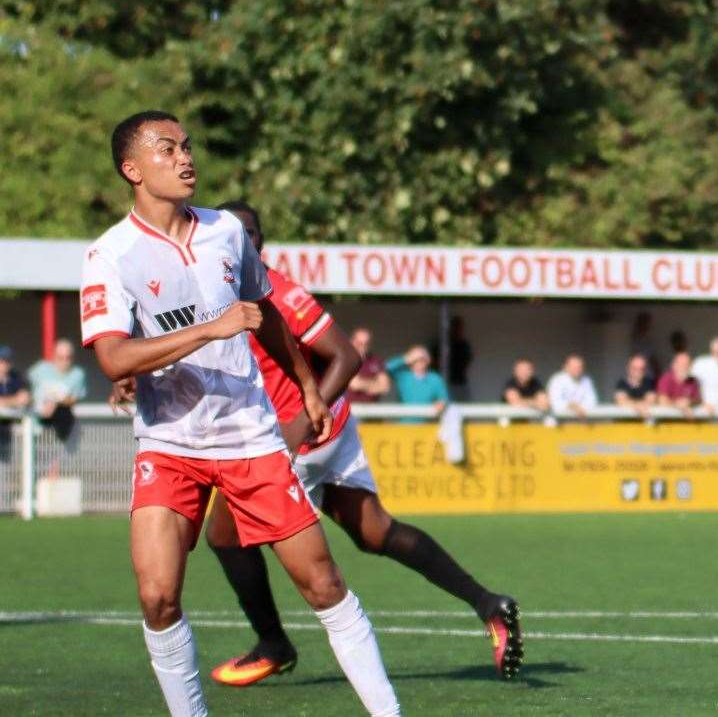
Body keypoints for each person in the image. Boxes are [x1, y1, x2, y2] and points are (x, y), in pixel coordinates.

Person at [79, 111, 398, 716]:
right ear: (132, 169)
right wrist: (209, 330)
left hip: (250, 440)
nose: (184, 158)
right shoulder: (109, 255)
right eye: (167, 149)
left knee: (323, 585)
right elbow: (114, 357)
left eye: (187, 146)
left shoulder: (225, 230)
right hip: (168, 444)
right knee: (158, 598)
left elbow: (266, 310)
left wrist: (306, 383)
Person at [202, 200, 520, 686]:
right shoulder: (216, 296)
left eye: (251, 233)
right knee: (376, 533)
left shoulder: (279, 293)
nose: (245, 242)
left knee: (223, 536)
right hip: (329, 429)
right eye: (233, 234)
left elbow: (346, 357)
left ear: (262, 242)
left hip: (303, 439)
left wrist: (301, 424)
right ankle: (489, 604)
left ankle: (273, 644)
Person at [28, 337, 88, 445]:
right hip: (33, 427)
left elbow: (74, 399)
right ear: (54, 356)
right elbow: (25, 387)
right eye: (61, 357)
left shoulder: (78, 374)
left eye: (68, 358)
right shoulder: (40, 369)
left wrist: (55, 403)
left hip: (57, 431)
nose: (64, 361)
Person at [385, 345, 446, 417]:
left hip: (426, 424)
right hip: (404, 423)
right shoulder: (403, 376)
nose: (419, 362)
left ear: (428, 360)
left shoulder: (435, 379)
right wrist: (405, 359)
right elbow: (385, 368)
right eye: (416, 359)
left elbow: (443, 398)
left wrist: (441, 403)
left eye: (422, 359)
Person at [344, 327, 392, 403]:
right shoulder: (344, 359)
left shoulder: (376, 360)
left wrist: (362, 384)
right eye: (359, 343)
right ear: (352, 341)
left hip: (371, 409)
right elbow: (354, 384)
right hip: (350, 408)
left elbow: (385, 387)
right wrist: (375, 384)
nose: (363, 347)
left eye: (366, 344)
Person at [545, 354, 596, 420]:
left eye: (579, 367)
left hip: (579, 421)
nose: (577, 369)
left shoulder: (586, 380)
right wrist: (571, 406)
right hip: (558, 423)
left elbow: (592, 400)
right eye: (573, 367)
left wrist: (580, 408)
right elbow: (554, 402)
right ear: (566, 367)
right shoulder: (557, 379)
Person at [443, 314, 473, 400]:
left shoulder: (464, 345)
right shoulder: (443, 344)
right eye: (455, 327)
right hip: (447, 382)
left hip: (461, 381)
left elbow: (469, 360)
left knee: (466, 407)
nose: (458, 330)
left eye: (460, 328)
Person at [0, 345, 28, 410]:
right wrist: (15, 400)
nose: (5, 364)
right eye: (2, 361)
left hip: (13, 416)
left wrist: (5, 401)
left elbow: (25, 398)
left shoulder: (15, 376)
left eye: (8, 361)